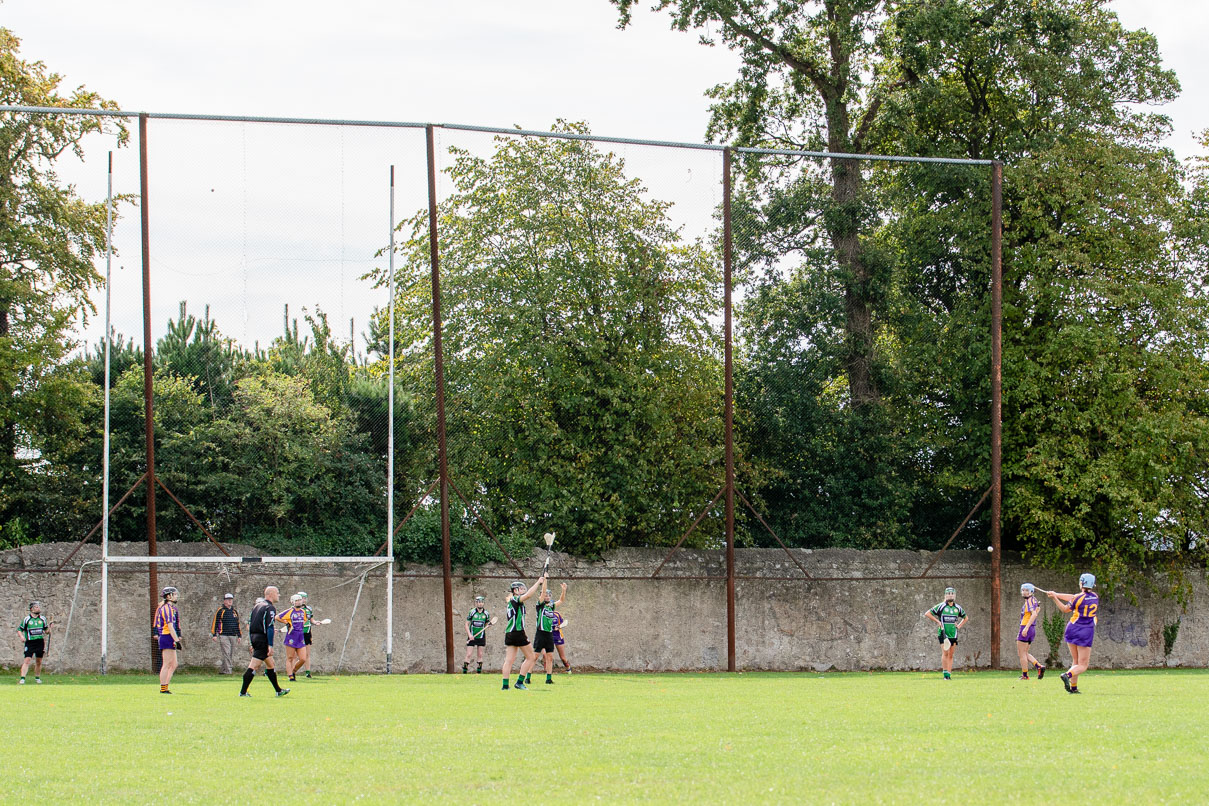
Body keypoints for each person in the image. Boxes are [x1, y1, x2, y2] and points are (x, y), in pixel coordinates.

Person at [1045, 573, 1099, 695]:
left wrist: (1054, 598)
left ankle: (1073, 688)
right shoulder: (1095, 596)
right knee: (1083, 665)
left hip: (1072, 629)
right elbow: (1074, 597)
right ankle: (1066, 675)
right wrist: (1056, 594)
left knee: (1076, 662)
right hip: (1085, 631)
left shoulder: (1077, 598)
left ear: (1081, 583)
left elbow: (1065, 608)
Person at [240, 586, 289, 698]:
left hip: (255, 637)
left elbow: (251, 626)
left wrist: (253, 642)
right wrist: (270, 645)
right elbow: (269, 627)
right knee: (254, 666)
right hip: (262, 640)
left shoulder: (257, 606)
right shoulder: (269, 608)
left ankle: (278, 690)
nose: (279, 595)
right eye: (277, 593)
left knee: (271, 664)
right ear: (271, 594)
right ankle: (242, 692)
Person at [501, 575, 544, 691]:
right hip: (518, 632)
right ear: (515, 591)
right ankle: (520, 682)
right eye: (521, 588)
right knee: (531, 657)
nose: (523, 590)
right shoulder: (515, 600)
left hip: (509, 633)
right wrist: (538, 582)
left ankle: (505, 686)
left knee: (509, 660)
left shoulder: (512, 601)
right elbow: (529, 595)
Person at [925, 586, 967, 680]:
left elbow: (965, 618)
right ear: (945, 595)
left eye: (952, 593)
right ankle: (945, 675)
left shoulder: (958, 608)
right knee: (945, 652)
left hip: (954, 634)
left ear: (955, 595)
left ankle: (949, 674)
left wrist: (959, 626)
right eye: (948, 594)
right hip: (943, 634)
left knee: (951, 654)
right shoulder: (941, 606)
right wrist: (938, 622)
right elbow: (927, 613)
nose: (950, 595)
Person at [529, 581, 566, 685]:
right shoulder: (540, 605)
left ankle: (548, 679)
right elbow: (543, 591)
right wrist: (545, 579)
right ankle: (527, 676)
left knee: (550, 657)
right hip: (540, 633)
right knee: (535, 657)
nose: (547, 597)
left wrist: (563, 590)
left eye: (549, 595)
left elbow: (561, 600)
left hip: (549, 634)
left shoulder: (551, 606)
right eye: (545, 595)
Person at [154, 587, 182, 694]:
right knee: (166, 663)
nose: (176, 596)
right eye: (174, 594)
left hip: (170, 637)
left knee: (174, 664)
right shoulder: (166, 608)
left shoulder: (172, 608)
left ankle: (166, 686)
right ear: (169, 596)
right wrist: (176, 640)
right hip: (166, 636)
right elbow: (170, 626)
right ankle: (163, 688)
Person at [17, 601, 52, 685]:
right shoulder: (27, 619)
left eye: (39, 607)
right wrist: (22, 637)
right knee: (27, 660)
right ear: (32, 609)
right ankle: (22, 679)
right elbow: (19, 629)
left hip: (39, 642)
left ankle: (37, 678)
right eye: (36, 607)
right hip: (30, 642)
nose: (38, 608)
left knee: (39, 661)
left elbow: (46, 631)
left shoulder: (42, 619)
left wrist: (49, 629)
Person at [275, 593, 308, 682]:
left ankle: (293, 671)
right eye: (296, 600)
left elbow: (305, 620)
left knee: (303, 658)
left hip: (300, 637)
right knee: (290, 657)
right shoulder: (290, 611)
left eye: (299, 600)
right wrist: (286, 622)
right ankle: (291, 676)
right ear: (293, 602)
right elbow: (277, 617)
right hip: (291, 636)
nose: (298, 602)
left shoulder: (303, 612)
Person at [1016, 583, 1045, 681]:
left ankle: (1025, 675)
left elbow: (1034, 615)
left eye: (1027, 590)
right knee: (1024, 652)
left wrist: (1026, 628)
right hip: (1032, 628)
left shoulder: (1029, 601)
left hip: (1026, 627)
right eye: (1023, 590)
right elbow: (1037, 611)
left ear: (1031, 592)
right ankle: (1039, 666)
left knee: (1021, 653)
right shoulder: (1034, 600)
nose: (1024, 592)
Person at [210, 593, 242, 675]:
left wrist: (239, 635)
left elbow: (237, 624)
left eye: (231, 599)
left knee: (230, 653)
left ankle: (223, 670)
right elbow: (215, 622)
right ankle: (228, 671)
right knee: (227, 652)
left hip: (233, 635)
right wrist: (214, 634)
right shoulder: (221, 610)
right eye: (228, 599)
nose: (230, 601)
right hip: (224, 635)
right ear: (224, 601)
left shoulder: (234, 612)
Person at [463, 595, 492, 674]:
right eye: (479, 602)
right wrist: (469, 635)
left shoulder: (486, 614)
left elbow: (486, 625)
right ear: (476, 603)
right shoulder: (472, 612)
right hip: (472, 635)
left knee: (480, 654)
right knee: (468, 654)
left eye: (482, 602)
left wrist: (488, 626)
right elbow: (466, 624)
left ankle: (479, 673)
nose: (480, 604)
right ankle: (464, 672)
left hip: (481, 636)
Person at [551, 597, 571, 674]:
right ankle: (548, 672)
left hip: (558, 637)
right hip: (548, 637)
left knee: (562, 657)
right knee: (546, 656)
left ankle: (568, 669)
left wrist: (559, 627)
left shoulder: (557, 614)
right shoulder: (543, 614)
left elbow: (564, 622)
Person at [298, 591, 315, 678]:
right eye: (302, 598)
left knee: (307, 654)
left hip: (307, 633)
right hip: (297, 633)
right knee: (293, 655)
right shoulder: (294, 609)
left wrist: (316, 622)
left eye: (305, 598)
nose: (304, 600)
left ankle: (308, 672)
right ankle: (292, 672)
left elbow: (312, 620)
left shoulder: (309, 609)